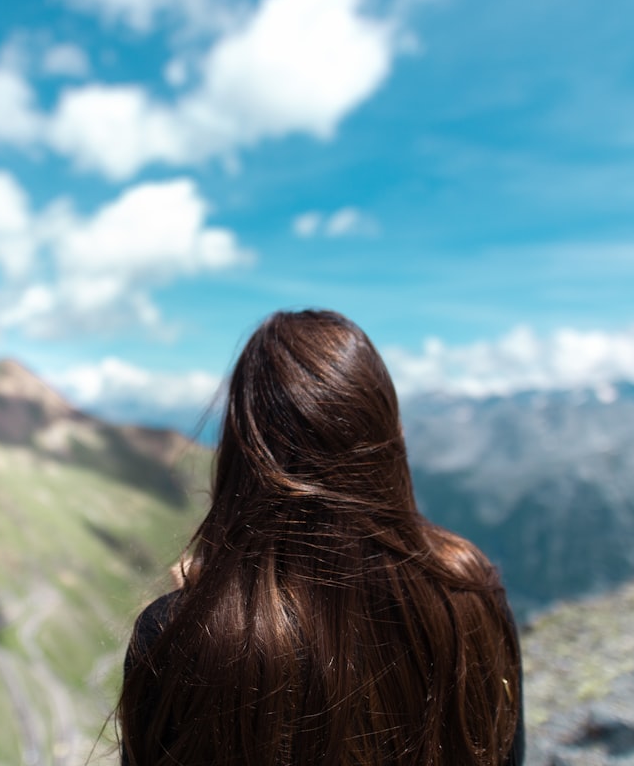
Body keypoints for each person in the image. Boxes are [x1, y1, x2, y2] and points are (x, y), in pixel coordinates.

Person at [118, 310, 524, 766]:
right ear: (392, 440)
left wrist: (192, 620)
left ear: (238, 455)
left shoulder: (170, 636)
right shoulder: (471, 590)